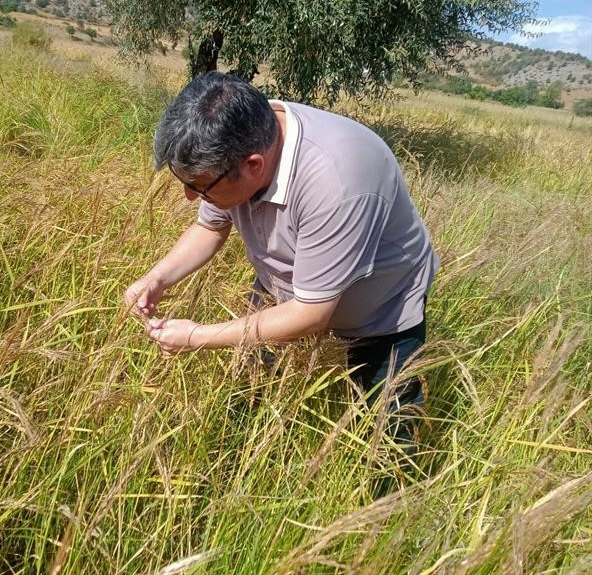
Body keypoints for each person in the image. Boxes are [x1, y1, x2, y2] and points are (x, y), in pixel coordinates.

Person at [124, 71, 439, 446]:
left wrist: (195, 337)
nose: (190, 197)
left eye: (199, 186)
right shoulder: (238, 149)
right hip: (283, 288)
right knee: (249, 391)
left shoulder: (337, 181)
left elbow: (309, 314)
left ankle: (389, 500)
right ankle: (239, 454)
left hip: (380, 309)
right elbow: (210, 229)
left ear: (254, 165)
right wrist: (157, 277)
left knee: (387, 431)